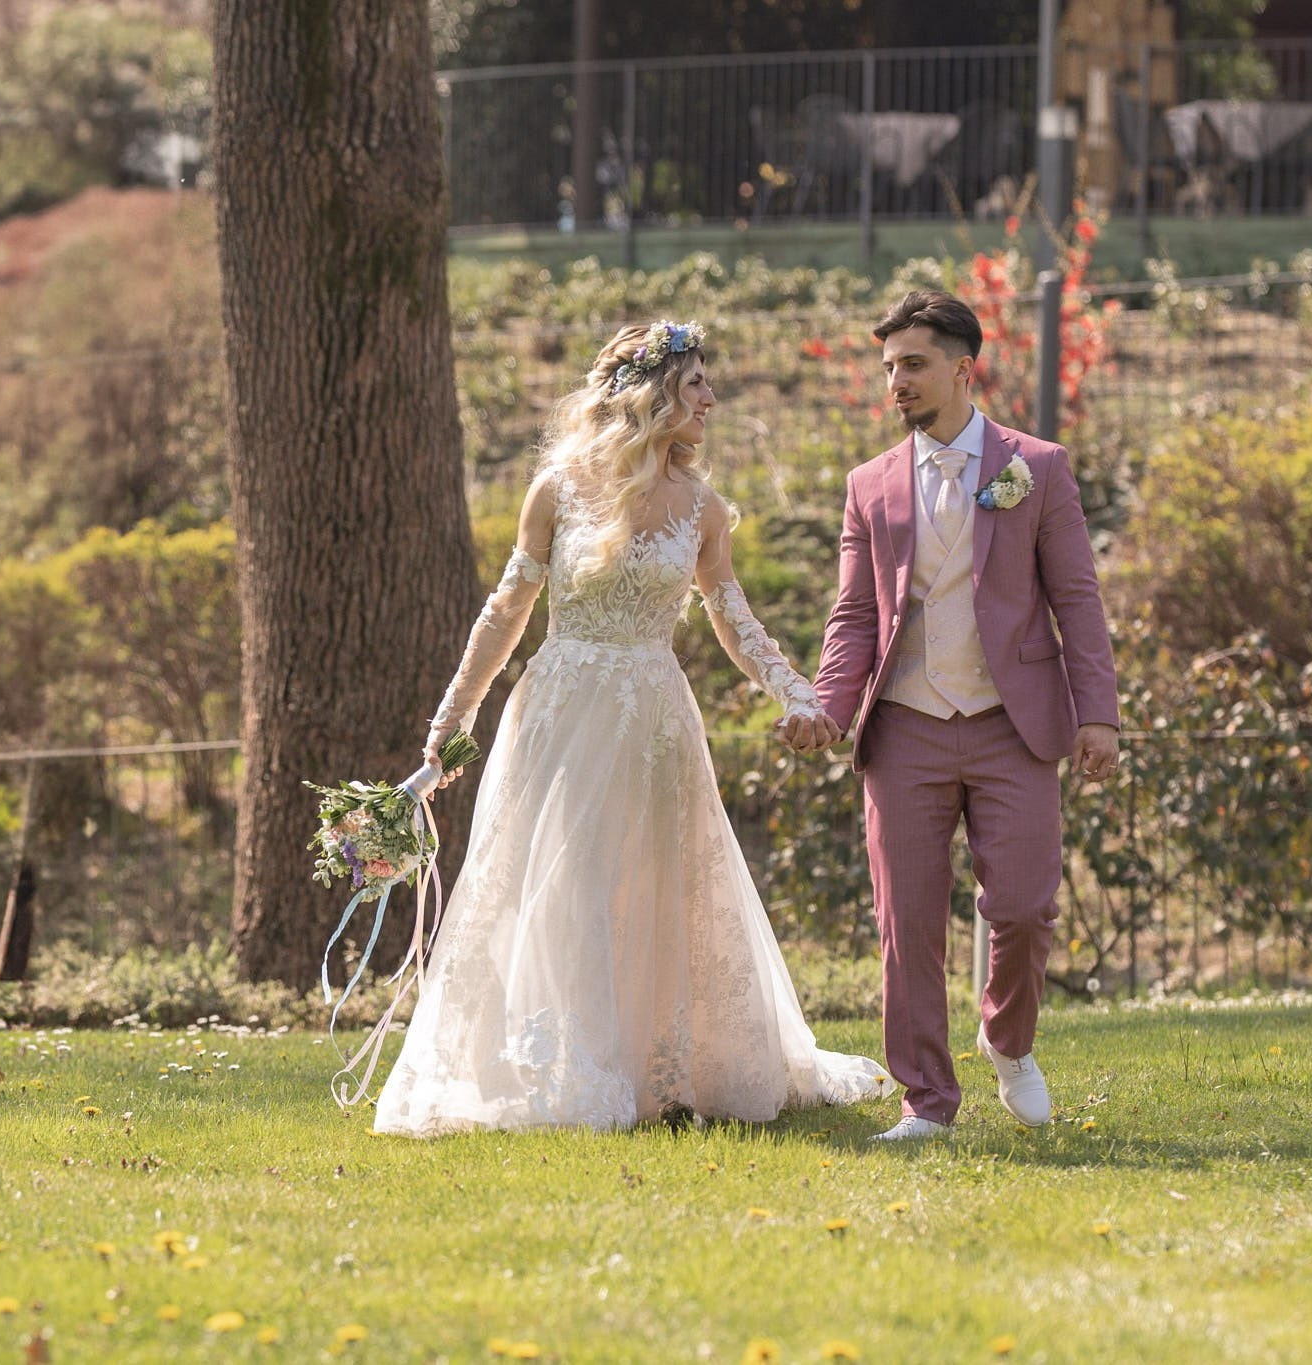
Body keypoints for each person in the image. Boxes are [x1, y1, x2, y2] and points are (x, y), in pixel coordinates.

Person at [372, 320, 894, 1137]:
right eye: (696, 387)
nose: (711, 400)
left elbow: (734, 619)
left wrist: (795, 693)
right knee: (560, 880)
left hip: (653, 716)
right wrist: (454, 716)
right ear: (652, 397)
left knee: (654, 882)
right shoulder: (556, 487)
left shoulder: (705, 509)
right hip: (560, 708)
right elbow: (507, 609)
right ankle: (560, 1066)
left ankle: (662, 1066)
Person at [804, 290, 1120, 1142]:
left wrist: (1101, 715)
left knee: (1022, 906)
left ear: (962, 368)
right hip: (904, 724)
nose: (896, 382)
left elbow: (1078, 601)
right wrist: (829, 708)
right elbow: (854, 616)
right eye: (888, 368)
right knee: (906, 922)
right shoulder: (869, 485)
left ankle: (1007, 1041)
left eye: (912, 364)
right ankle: (925, 1104)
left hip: (1011, 721)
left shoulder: (1037, 467)